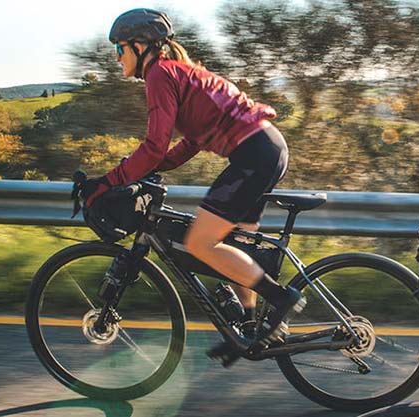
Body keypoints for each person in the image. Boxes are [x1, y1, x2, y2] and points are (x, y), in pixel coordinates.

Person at [80, 8, 305, 354]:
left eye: (119, 48)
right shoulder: (178, 73)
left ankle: (280, 298)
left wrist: (109, 181)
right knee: (235, 244)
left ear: (141, 46)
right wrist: (152, 168)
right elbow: (188, 143)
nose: (117, 57)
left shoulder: (159, 74)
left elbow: (154, 145)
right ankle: (248, 329)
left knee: (201, 243)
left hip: (254, 155)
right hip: (266, 148)